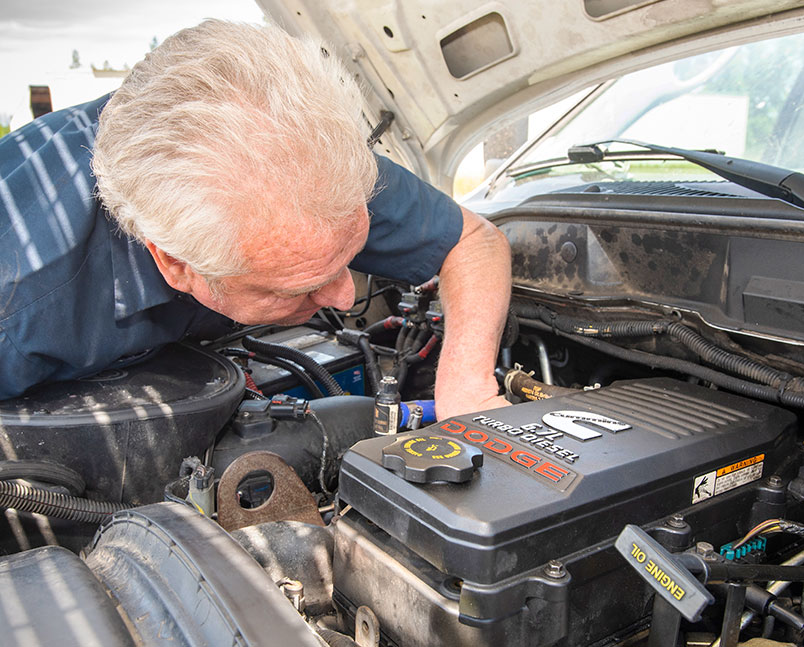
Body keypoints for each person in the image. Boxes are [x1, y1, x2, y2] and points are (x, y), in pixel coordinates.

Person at [0, 20, 511, 419]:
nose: (346, 299)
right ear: (177, 265)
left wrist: (465, 386)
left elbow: (474, 240)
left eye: (348, 257)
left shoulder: (307, 157)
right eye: (301, 285)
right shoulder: (22, 302)